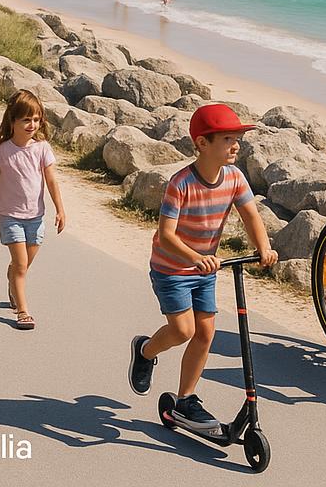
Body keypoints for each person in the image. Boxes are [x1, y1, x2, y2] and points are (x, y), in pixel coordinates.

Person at [127, 103, 277, 430]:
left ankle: (185, 399)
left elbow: (251, 216)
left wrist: (263, 247)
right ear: (202, 144)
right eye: (227, 139)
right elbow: (165, 236)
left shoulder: (235, 178)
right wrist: (196, 258)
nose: (235, 144)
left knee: (205, 333)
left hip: (204, 271)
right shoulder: (180, 183)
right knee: (183, 331)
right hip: (172, 269)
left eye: (237, 138)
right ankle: (145, 350)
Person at [0, 90, 66, 330]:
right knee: (21, 265)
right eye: (26, 119)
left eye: (36, 119)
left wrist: (60, 210)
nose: (32, 124)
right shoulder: (2, 150)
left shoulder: (42, 148)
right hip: (10, 216)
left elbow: (52, 181)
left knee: (23, 265)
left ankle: (12, 279)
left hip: (36, 217)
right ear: (12, 121)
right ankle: (23, 312)